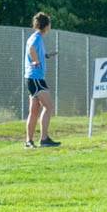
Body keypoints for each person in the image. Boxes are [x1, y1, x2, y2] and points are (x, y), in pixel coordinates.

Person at [24, 12, 60, 148]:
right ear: (46, 26)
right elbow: (31, 49)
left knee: (34, 111)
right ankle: (44, 139)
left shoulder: (35, 37)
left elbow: (34, 50)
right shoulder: (37, 38)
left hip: (31, 78)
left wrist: (45, 56)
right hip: (36, 78)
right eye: (50, 24)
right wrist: (36, 61)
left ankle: (29, 141)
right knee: (49, 107)